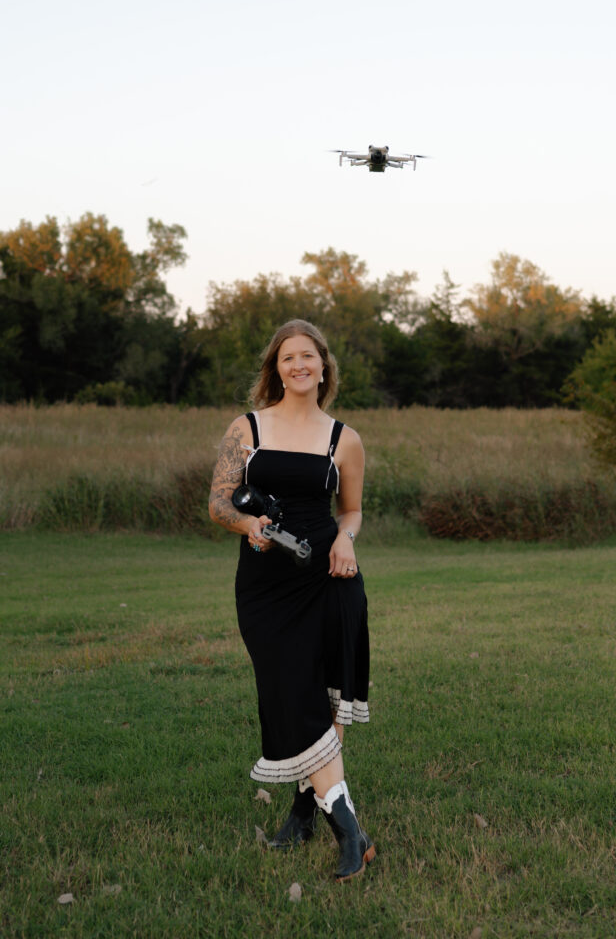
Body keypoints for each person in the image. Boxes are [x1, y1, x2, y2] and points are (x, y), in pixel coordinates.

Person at [208, 319, 375, 882]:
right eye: (287, 358)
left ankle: (310, 814)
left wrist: (346, 540)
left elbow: (350, 511)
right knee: (289, 688)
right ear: (275, 369)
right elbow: (218, 505)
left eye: (308, 356)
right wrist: (248, 524)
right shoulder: (246, 428)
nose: (299, 365)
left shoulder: (343, 439)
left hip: (330, 571)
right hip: (265, 582)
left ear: (324, 366)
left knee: (322, 698)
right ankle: (350, 827)